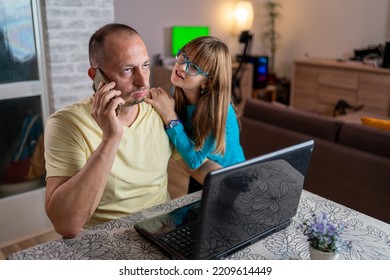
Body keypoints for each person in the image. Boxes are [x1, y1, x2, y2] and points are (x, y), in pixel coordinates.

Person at [44, 24, 220, 238]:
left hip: (162, 231)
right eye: (127, 70)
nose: (143, 80)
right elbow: (67, 225)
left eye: (145, 65)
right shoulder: (65, 124)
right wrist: (111, 138)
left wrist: (236, 182)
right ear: (96, 75)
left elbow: (195, 164)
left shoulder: (158, 111)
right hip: (107, 240)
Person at [145, 36, 245, 192]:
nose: (182, 67)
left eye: (194, 68)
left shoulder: (217, 111)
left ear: (207, 82)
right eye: (184, 56)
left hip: (229, 180)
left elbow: (195, 160)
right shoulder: (179, 90)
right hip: (202, 173)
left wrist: (170, 116)